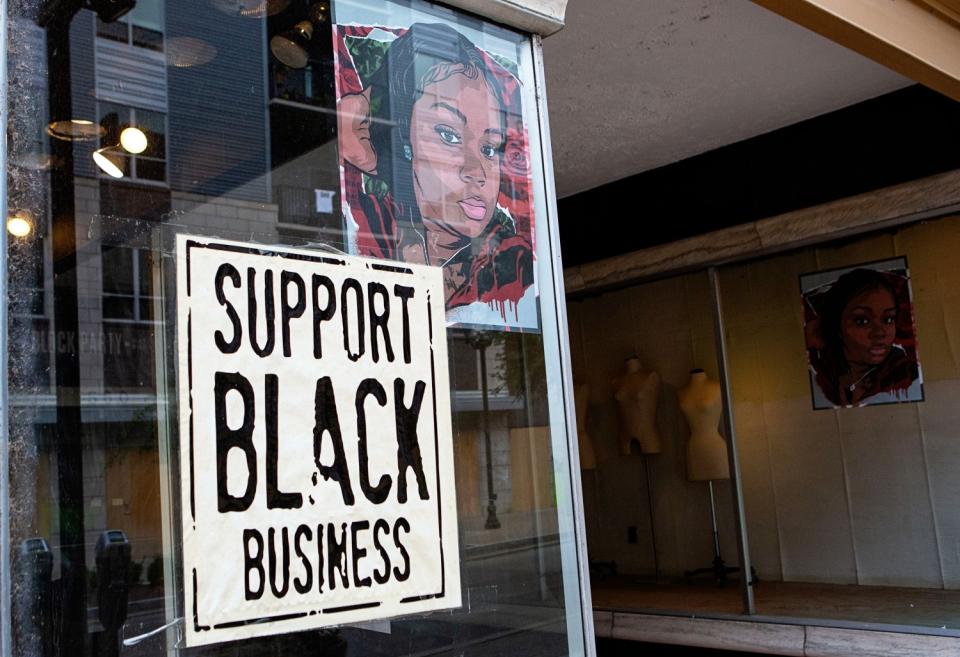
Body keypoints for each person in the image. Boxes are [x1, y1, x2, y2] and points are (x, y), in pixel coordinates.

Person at [337, 22, 534, 311]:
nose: (477, 172)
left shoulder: (507, 266)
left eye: (489, 148)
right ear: (403, 138)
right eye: (449, 135)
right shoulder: (365, 228)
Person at [807, 267, 919, 407]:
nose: (880, 333)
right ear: (837, 326)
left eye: (888, 319)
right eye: (862, 321)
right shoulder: (822, 371)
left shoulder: (905, 374)